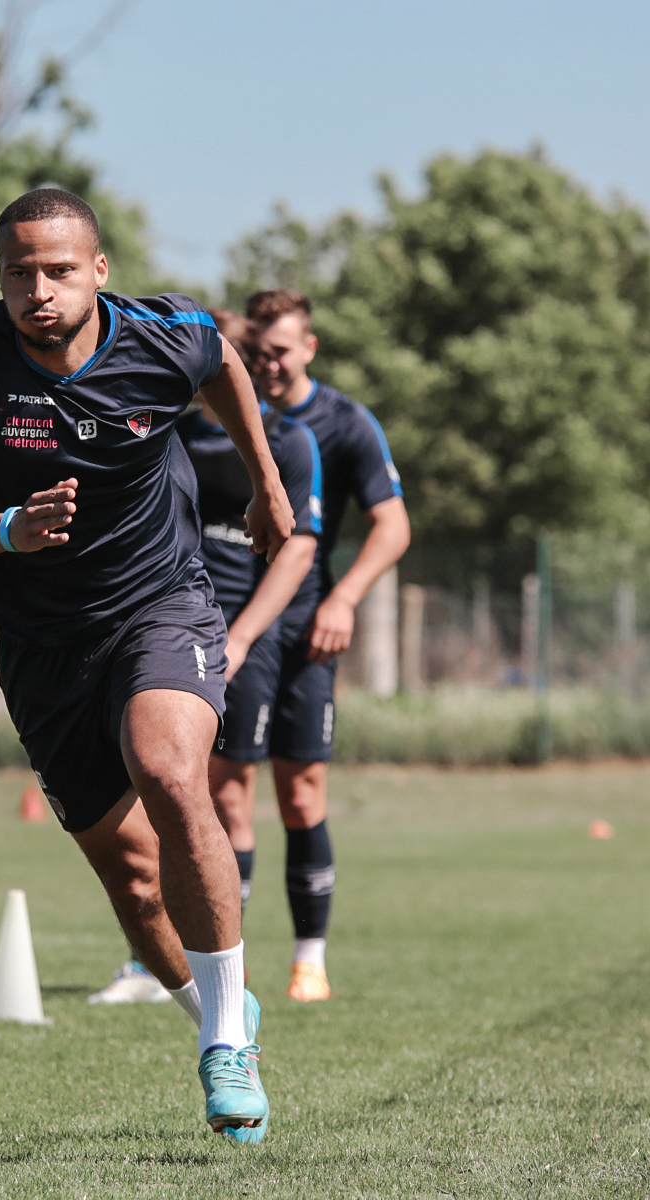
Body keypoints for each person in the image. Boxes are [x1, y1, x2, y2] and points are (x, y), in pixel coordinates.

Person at [0, 188, 295, 1141]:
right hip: (39, 640)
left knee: (168, 770)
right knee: (134, 882)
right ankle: (219, 1013)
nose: (39, 289)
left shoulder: (163, 337)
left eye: (59, 270)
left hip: (163, 603)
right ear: (0, 277)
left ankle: (226, 1043)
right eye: (19, 271)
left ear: (98, 271)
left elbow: (223, 361)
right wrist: (4, 531)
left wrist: (268, 484)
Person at [88, 310, 323, 1007]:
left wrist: (244, 636)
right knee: (162, 794)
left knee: (217, 796)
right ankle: (168, 957)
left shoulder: (287, 442)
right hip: (159, 629)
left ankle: (227, 965)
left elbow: (298, 546)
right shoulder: (167, 432)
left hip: (232, 638)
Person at [241, 287, 410, 1003]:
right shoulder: (225, 414)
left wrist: (343, 599)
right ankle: (226, 957)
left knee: (301, 792)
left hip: (307, 625)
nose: (267, 366)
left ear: (308, 346)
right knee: (223, 793)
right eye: (255, 353)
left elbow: (393, 526)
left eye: (279, 352)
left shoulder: (344, 423)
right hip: (228, 621)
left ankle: (309, 956)